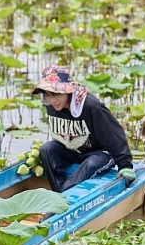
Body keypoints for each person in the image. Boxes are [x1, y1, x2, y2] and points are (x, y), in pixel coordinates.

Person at [32, 65, 135, 199]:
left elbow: (114, 135)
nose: (52, 100)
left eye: (56, 94)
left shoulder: (91, 107)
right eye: (48, 94)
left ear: (68, 91)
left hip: (99, 153)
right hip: (73, 150)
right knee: (47, 149)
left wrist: (125, 165)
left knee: (91, 163)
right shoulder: (52, 105)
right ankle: (60, 196)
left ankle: (62, 199)